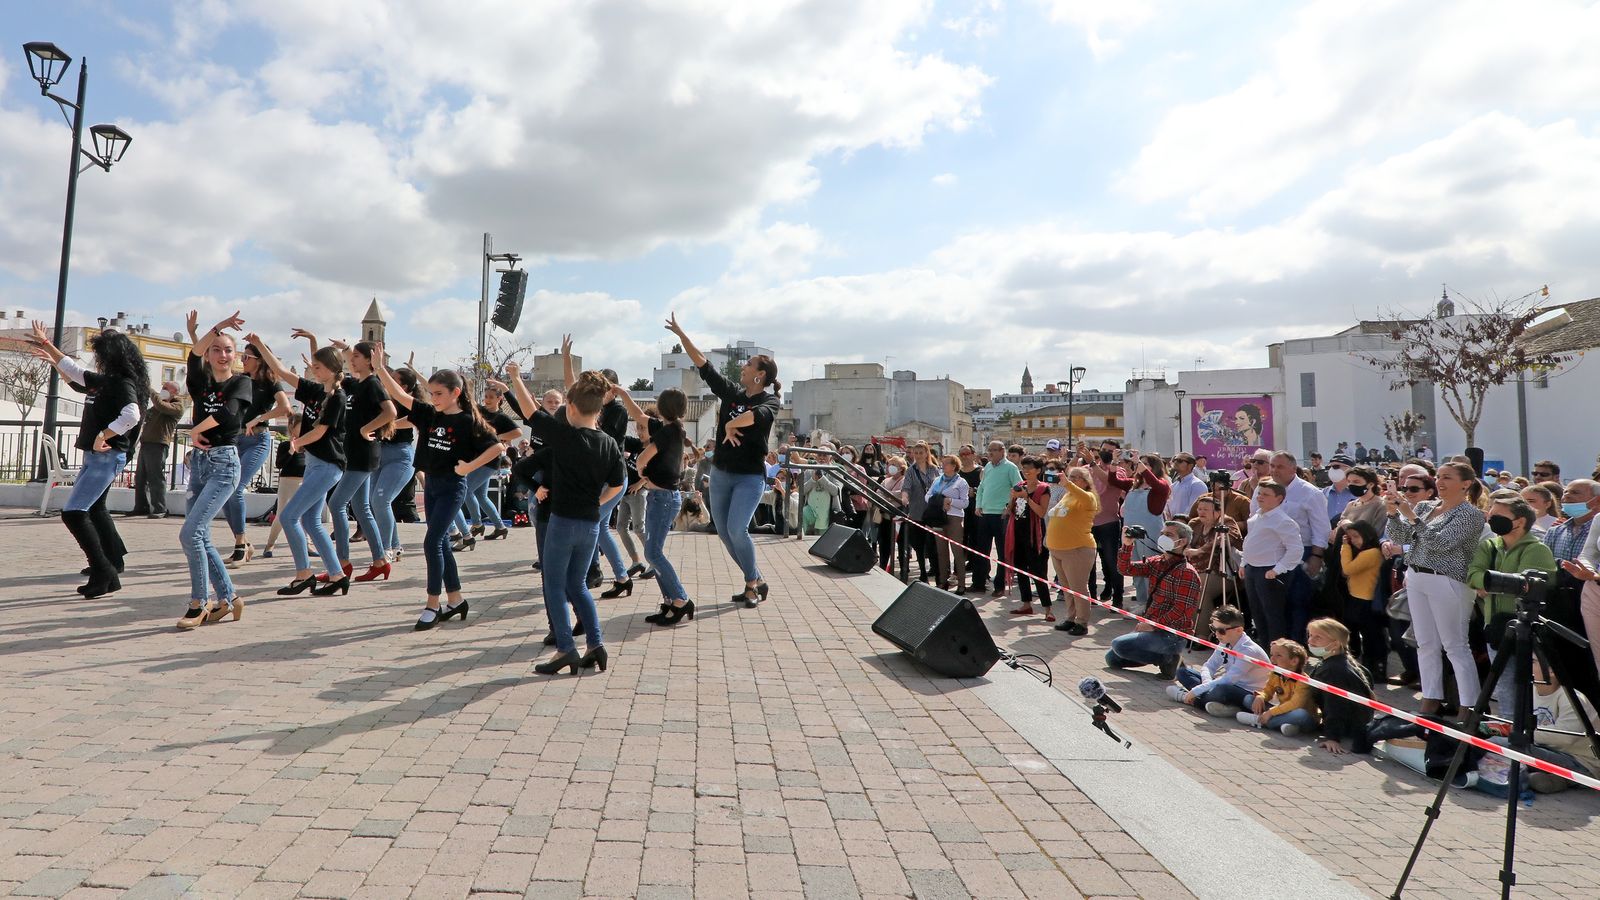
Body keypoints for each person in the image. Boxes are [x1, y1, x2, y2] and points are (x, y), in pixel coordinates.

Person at [372, 346, 501, 630]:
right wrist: (381, 369)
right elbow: (401, 396)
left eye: (439, 393)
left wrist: (468, 467)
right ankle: (456, 600)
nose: (434, 398)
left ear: (456, 392)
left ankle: (433, 604)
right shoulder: (430, 414)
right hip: (431, 484)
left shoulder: (468, 421)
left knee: (432, 542)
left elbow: (497, 447)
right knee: (440, 542)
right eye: (431, 394)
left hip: (453, 487)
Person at [511, 364, 625, 674]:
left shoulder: (564, 437)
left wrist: (516, 379)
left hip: (562, 522)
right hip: (590, 523)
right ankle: (596, 645)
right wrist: (597, 502)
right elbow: (618, 484)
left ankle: (565, 649)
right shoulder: (610, 443)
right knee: (579, 585)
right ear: (599, 408)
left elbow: (531, 412)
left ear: (570, 407)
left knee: (555, 585)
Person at [27, 320, 147, 599]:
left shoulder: (122, 383)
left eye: (101, 354)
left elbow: (132, 415)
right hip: (97, 458)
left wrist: (104, 434)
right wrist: (48, 346)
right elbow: (75, 371)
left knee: (74, 513)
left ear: (111, 357)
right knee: (92, 510)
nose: (97, 359)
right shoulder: (107, 381)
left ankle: (104, 569)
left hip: (106, 457)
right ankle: (109, 568)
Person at [665, 315, 780, 607]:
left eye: (749, 364)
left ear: (760, 375)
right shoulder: (731, 393)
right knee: (725, 534)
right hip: (721, 474)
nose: (743, 366)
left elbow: (756, 417)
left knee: (737, 529)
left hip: (749, 477)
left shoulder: (769, 401)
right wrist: (681, 334)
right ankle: (754, 578)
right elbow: (704, 364)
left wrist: (731, 425)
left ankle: (753, 585)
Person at [245, 331, 351, 598]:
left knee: (290, 516)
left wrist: (297, 442)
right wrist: (259, 344)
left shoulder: (338, 398)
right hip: (316, 465)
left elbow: (321, 432)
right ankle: (337, 575)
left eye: (318, 367)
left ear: (332, 369)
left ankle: (303, 574)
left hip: (328, 466)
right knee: (311, 521)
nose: (313, 370)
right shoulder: (315, 390)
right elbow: (280, 371)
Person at [170, 310, 255, 629]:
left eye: (228, 349)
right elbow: (193, 353)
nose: (222, 354)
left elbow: (231, 416)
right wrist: (217, 326)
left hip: (223, 464)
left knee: (190, 532)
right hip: (200, 465)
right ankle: (230, 597)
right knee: (200, 535)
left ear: (236, 356)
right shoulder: (199, 379)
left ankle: (198, 603)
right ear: (208, 354)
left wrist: (194, 430)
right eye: (216, 349)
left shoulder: (242, 381)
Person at [1384, 461, 1487, 715]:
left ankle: (1469, 704)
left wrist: (1411, 517)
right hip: (1417, 576)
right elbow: (1401, 537)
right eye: (1439, 476)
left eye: (1448, 478)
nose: (1440, 482)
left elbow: (1442, 544)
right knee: (1426, 643)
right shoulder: (1425, 507)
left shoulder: (1470, 514)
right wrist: (1392, 513)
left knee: (1455, 645)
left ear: (1465, 484)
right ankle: (1430, 697)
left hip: (1449, 581)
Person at [610, 385, 693, 625]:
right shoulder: (670, 428)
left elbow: (644, 457)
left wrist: (642, 471)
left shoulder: (668, 432)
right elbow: (639, 415)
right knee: (653, 553)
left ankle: (680, 599)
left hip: (664, 499)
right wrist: (623, 393)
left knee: (653, 553)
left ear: (663, 408)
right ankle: (669, 602)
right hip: (661, 497)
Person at [1467, 497, 1557, 710]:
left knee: (1527, 686)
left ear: (1520, 521)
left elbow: (1525, 586)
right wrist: (1492, 582)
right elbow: (1472, 574)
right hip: (1496, 628)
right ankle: (1508, 728)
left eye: (1498, 515)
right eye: (1490, 513)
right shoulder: (1489, 546)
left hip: (1527, 629)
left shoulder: (1536, 549)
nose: (1491, 517)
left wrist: (1489, 584)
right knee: (1504, 685)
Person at [220, 338, 290, 567]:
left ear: (259, 360)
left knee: (237, 489)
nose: (242, 360)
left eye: (246, 357)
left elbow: (285, 408)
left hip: (257, 440)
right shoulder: (239, 381)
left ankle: (241, 546)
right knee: (226, 495)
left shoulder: (270, 383)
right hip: (235, 439)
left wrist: (260, 418)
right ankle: (243, 543)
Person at [1104, 520, 1201, 678]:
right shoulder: (1157, 562)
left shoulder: (1187, 573)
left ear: (1182, 541)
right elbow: (1125, 569)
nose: (1163, 537)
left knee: (1119, 645)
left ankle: (1170, 658)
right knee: (1112, 659)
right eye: (1162, 533)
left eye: (1169, 535)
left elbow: (1182, 611)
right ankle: (1162, 658)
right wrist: (1127, 545)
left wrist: (1153, 625)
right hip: (1153, 628)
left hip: (1172, 635)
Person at [453, 381, 522, 550]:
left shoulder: (502, 417)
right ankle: (500, 527)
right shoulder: (481, 411)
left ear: (499, 399)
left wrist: (496, 436)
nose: (487, 400)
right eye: (485, 397)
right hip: (477, 457)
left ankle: (477, 524)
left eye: (491, 397)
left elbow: (517, 432)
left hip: (490, 460)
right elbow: (466, 403)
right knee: (481, 496)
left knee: (466, 490)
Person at [1168, 606, 1270, 716]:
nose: (1216, 634)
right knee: (1183, 672)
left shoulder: (1249, 650)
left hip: (1247, 692)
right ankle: (1225, 706)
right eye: (1213, 629)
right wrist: (1206, 682)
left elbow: (1228, 680)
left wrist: (1197, 690)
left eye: (1221, 631)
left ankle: (1186, 697)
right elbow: (1209, 666)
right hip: (1228, 685)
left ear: (1239, 630)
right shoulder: (1225, 640)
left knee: (1221, 690)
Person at [372, 366, 425, 563]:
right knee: (375, 501)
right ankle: (395, 546)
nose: (388, 381)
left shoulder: (411, 402)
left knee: (381, 500)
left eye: (394, 379)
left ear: (404, 386)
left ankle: (386, 549)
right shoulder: (385, 399)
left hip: (400, 456)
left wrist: (385, 424)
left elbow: (411, 420)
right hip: (379, 454)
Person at [1242, 480, 1303, 645]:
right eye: (1260, 493)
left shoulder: (1283, 521)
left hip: (1269, 572)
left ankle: (1277, 654)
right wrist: (1243, 563)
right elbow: (1249, 541)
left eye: (1266, 494)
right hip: (1252, 570)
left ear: (1279, 498)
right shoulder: (1256, 516)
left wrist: (1278, 569)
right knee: (1257, 614)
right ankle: (1265, 650)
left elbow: (1295, 550)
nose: (1260, 497)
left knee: (1273, 616)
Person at [261, 413, 330, 559]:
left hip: (304, 482)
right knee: (281, 514)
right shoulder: (285, 445)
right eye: (301, 426)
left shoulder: (310, 446)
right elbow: (280, 464)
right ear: (292, 428)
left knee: (306, 515)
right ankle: (270, 545)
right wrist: (292, 450)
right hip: (287, 482)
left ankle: (308, 545)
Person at [1304, 618, 1373, 754]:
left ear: (1335, 644)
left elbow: (1335, 704)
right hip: (1354, 723)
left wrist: (1332, 737)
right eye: (1310, 635)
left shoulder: (1333, 669)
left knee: (1298, 717)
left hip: (1348, 727)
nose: (1310, 641)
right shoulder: (1339, 662)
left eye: (1318, 637)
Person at [1048, 466, 1100, 635]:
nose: (1072, 479)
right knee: (1067, 587)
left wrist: (1068, 484)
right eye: (1071, 476)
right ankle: (1071, 618)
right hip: (1057, 549)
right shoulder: (1067, 496)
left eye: (1077, 477)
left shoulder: (1088, 497)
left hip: (1077, 549)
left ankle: (1082, 622)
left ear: (1086, 482)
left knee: (1078, 588)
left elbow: (1084, 498)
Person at [1183, 496, 1242, 638]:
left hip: (1222, 572)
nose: (1201, 512)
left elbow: (1228, 538)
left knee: (1198, 587)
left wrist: (1200, 550)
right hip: (1194, 569)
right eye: (1200, 509)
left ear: (1217, 512)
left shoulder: (1226, 521)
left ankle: (1202, 635)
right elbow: (1183, 539)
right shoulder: (1195, 523)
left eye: (1206, 510)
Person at [1004, 456, 1053, 620]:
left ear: (1038, 471)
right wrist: (1012, 498)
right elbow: (1010, 510)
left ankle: (1047, 608)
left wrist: (1026, 497)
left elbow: (1041, 512)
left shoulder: (1043, 488)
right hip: (1017, 531)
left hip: (1035, 534)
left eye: (1029, 469)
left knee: (1038, 571)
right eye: (1024, 468)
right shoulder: (1020, 486)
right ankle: (1026, 603)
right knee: (1020, 569)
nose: (1025, 471)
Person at [1235, 639, 1317, 736]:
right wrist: (1260, 697)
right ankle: (1284, 725)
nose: (1272, 659)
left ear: (1294, 661)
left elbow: (1295, 704)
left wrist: (1270, 713)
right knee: (1249, 699)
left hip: (1302, 715)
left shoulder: (1303, 681)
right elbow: (1267, 691)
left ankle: (1259, 721)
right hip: (1281, 712)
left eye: (1278, 655)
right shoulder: (1275, 673)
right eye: (1271, 655)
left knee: (1300, 714)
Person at [1337, 519, 1386, 677]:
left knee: (1371, 635)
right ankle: (1363, 663)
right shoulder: (1362, 552)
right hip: (1356, 596)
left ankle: (1376, 667)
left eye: (1356, 536)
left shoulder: (1371, 552)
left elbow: (1348, 569)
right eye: (1351, 537)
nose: (1354, 541)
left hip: (1366, 599)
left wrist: (1344, 547)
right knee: (1356, 631)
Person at [972, 441, 1022, 596]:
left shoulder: (1010, 468)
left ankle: (999, 586)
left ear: (1002, 451)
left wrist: (1009, 508)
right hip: (985, 514)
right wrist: (978, 505)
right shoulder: (987, 467)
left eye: (993, 450)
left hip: (1001, 515)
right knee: (981, 551)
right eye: (989, 450)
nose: (990, 453)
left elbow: (1018, 488)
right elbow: (981, 488)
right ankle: (979, 583)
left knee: (1002, 552)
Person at [128, 381, 184, 518]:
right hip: (147, 443)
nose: (162, 390)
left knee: (155, 477)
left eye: (165, 388)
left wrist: (151, 391)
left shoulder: (177, 405)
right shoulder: (160, 404)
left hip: (158, 444)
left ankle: (160, 508)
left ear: (174, 392)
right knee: (140, 478)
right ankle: (141, 506)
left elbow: (161, 406)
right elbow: (146, 414)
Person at [1087, 445, 1134, 606]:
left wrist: (1093, 464)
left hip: (1108, 523)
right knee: (1088, 563)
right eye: (1104, 448)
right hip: (1088, 522)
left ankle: (1117, 600)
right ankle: (1091, 597)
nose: (1106, 451)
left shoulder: (1118, 470)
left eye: (1111, 449)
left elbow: (1109, 481)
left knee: (1112, 562)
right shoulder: (1088, 467)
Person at [1123, 453, 1171, 610]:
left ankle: (1153, 604)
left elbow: (1155, 483)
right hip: (1132, 534)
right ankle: (1142, 602)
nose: (1139, 466)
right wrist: (1114, 462)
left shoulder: (1162, 485)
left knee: (1150, 568)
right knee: (1136, 568)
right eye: (1139, 463)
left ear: (1154, 467)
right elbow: (1113, 481)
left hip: (1150, 534)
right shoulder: (1134, 485)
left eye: (1145, 463)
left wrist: (1139, 465)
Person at [926, 454, 970, 594]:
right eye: (942, 463)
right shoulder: (937, 480)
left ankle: (961, 583)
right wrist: (940, 501)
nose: (943, 466)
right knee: (941, 551)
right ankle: (943, 581)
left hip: (954, 518)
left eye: (946, 463)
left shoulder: (961, 482)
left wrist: (950, 501)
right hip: (938, 517)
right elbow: (927, 496)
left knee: (957, 552)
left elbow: (965, 503)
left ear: (954, 466)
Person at [901, 442, 939, 581]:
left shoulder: (934, 469)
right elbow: (906, 487)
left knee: (933, 544)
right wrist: (904, 498)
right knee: (919, 544)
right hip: (917, 511)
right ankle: (923, 572)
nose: (918, 456)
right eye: (915, 453)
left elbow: (940, 486)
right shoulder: (911, 470)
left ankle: (937, 571)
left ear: (926, 453)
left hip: (932, 512)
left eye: (920, 453)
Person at [872, 456, 906, 571]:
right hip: (885, 516)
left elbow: (902, 494)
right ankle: (883, 566)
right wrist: (890, 496)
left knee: (901, 544)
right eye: (889, 464)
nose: (890, 467)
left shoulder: (904, 480)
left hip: (899, 517)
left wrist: (888, 495)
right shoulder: (885, 480)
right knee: (884, 543)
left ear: (901, 468)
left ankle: (903, 568)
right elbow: (879, 494)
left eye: (894, 465)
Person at [1165, 453, 1206, 521]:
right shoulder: (1173, 485)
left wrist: (1180, 521)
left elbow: (1193, 509)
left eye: (1180, 460)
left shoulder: (1197, 485)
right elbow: (1167, 507)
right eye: (1175, 460)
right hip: (1172, 525)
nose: (1176, 462)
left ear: (1190, 466)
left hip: (1187, 526)